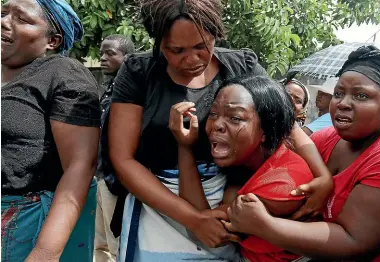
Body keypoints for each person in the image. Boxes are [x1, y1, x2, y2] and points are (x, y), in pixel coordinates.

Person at [107, 0, 332, 260]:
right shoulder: (139, 73)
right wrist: (194, 219)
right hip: (159, 203)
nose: (191, 59)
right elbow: (123, 159)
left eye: (202, 46)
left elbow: (282, 119)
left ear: (215, 33)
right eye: (176, 50)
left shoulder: (240, 66)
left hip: (231, 197)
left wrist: (322, 176)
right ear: (158, 42)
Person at [224, 46, 380, 261]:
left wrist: (265, 225)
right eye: (338, 93)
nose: (343, 103)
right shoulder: (326, 139)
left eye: (361, 95)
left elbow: (354, 242)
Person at [169, 75, 315, 261]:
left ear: (266, 130)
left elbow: (203, 229)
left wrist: (184, 148)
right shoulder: (254, 161)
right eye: (213, 114)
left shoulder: (284, 185)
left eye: (235, 118)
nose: (217, 125)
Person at [1, 0, 100, 261]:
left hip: (25, 223)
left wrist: (46, 252)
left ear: (53, 41)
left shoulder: (61, 73)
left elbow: (81, 165)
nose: (3, 21)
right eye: (3, 13)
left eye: (21, 19)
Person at [94, 34, 135, 262]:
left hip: (115, 180)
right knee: (98, 243)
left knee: (117, 242)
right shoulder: (108, 89)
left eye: (110, 53)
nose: (103, 58)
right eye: (102, 53)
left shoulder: (131, 93)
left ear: (127, 57)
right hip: (99, 175)